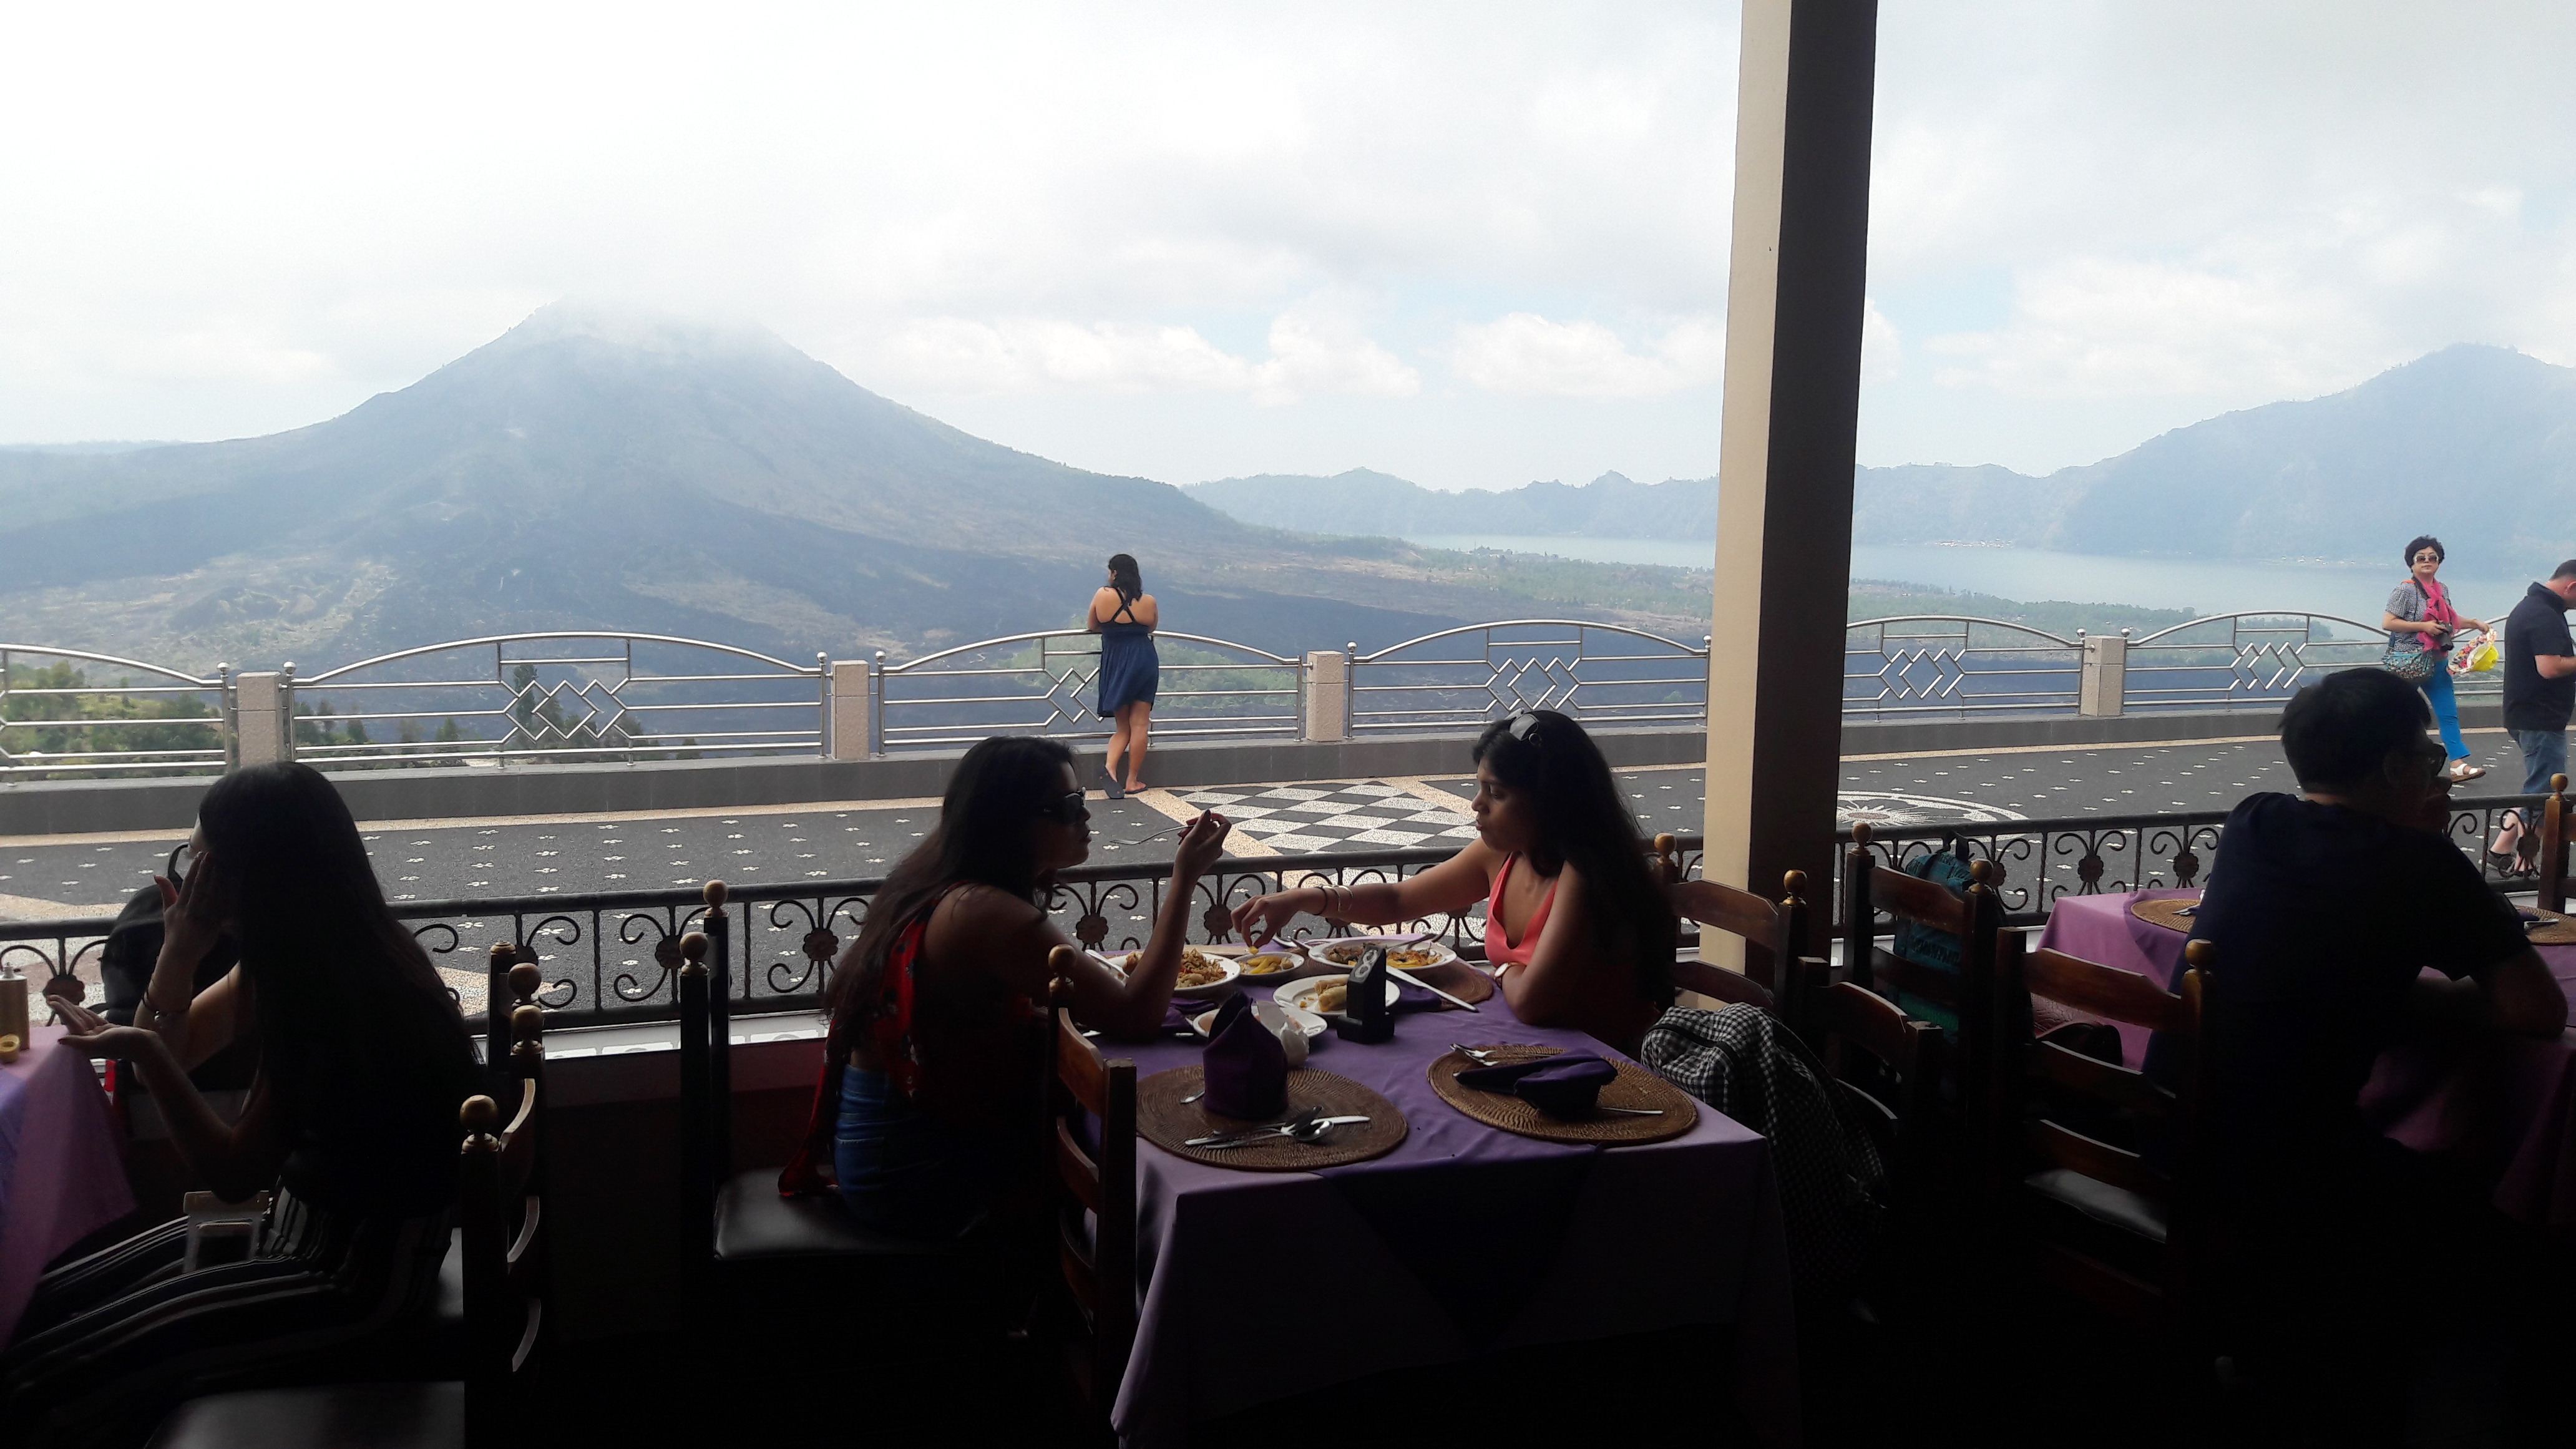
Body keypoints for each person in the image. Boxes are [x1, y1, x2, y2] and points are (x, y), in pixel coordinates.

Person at [11, 763, 482, 1449]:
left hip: (350, 1278)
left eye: (203, 859)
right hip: (297, 1234)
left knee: (43, 1376)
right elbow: (178, 1046)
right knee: (36, 1305)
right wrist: (180, 947)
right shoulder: (305, 952)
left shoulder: (331, 990)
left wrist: (144, 1053)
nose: (193, 877)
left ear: (256, 871)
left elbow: (229, 1174)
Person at [2162, 670, 2564, 1440]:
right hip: (2292, 1179)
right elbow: (2534, 1011)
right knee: (2500, 1210)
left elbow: (2321, 947)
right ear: (2393, 768)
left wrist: (2384, 986)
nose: (2433, 771)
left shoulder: (2255, 822)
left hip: (2178, 1133)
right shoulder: (2423, 867)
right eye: (2427, 756)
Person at [781, 736, 1229, 1237]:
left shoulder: (937, 881)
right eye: (1069, 806)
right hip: (908, 1171)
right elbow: (1138, 1015)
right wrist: (1185, 879)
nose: (1086, 818)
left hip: (887, 1145)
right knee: (1160, 1196)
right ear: (1010, 821)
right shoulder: (984, 913)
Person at [1228, 710, 1675, 1054]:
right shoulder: (1505, 854)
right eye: (1479, 787)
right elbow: (1399, 899)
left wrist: (1501, 968)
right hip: (1530, 1048)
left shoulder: (1585, 873)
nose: (1477, 805)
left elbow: (1534, 1003)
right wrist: (1303, 898)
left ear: (1551, 804)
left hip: (1605, 1073)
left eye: (1496, 794)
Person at [2487, 561, 2576, 869]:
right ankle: (2525, 865)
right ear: (2572, 587)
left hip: (2527, 712)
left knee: (2539, 786)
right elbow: (2550, 667)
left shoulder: (2531, 606)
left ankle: (2507, 852)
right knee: (2544, 793)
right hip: (2540, 716)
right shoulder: (2543, 615)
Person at [2381, 534, 2487, 783]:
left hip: (2437, 660)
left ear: (2439, 562)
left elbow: (2448, 620)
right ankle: (2390, 763)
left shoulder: (2442, 589)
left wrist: (2473, 623)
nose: (2427, 561)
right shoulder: (2405, 590)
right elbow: (2388, 622)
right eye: (2421, 558)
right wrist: (2424, 627)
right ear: (2412, 563)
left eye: (2433, 557)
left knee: (2448, 712)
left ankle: (2458, 763)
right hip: (2409, 661)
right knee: (2401, 714)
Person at [1087, 554, 1159, 801]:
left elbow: (1093, 624)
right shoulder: (1148, 601)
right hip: (1144, 659)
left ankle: (1110, 770)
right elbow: (1151, 628)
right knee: (1140, 724)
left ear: (1115, 573)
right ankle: (1132, 780)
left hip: (1117, 660)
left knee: (1122, 726)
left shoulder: (1102, 595)